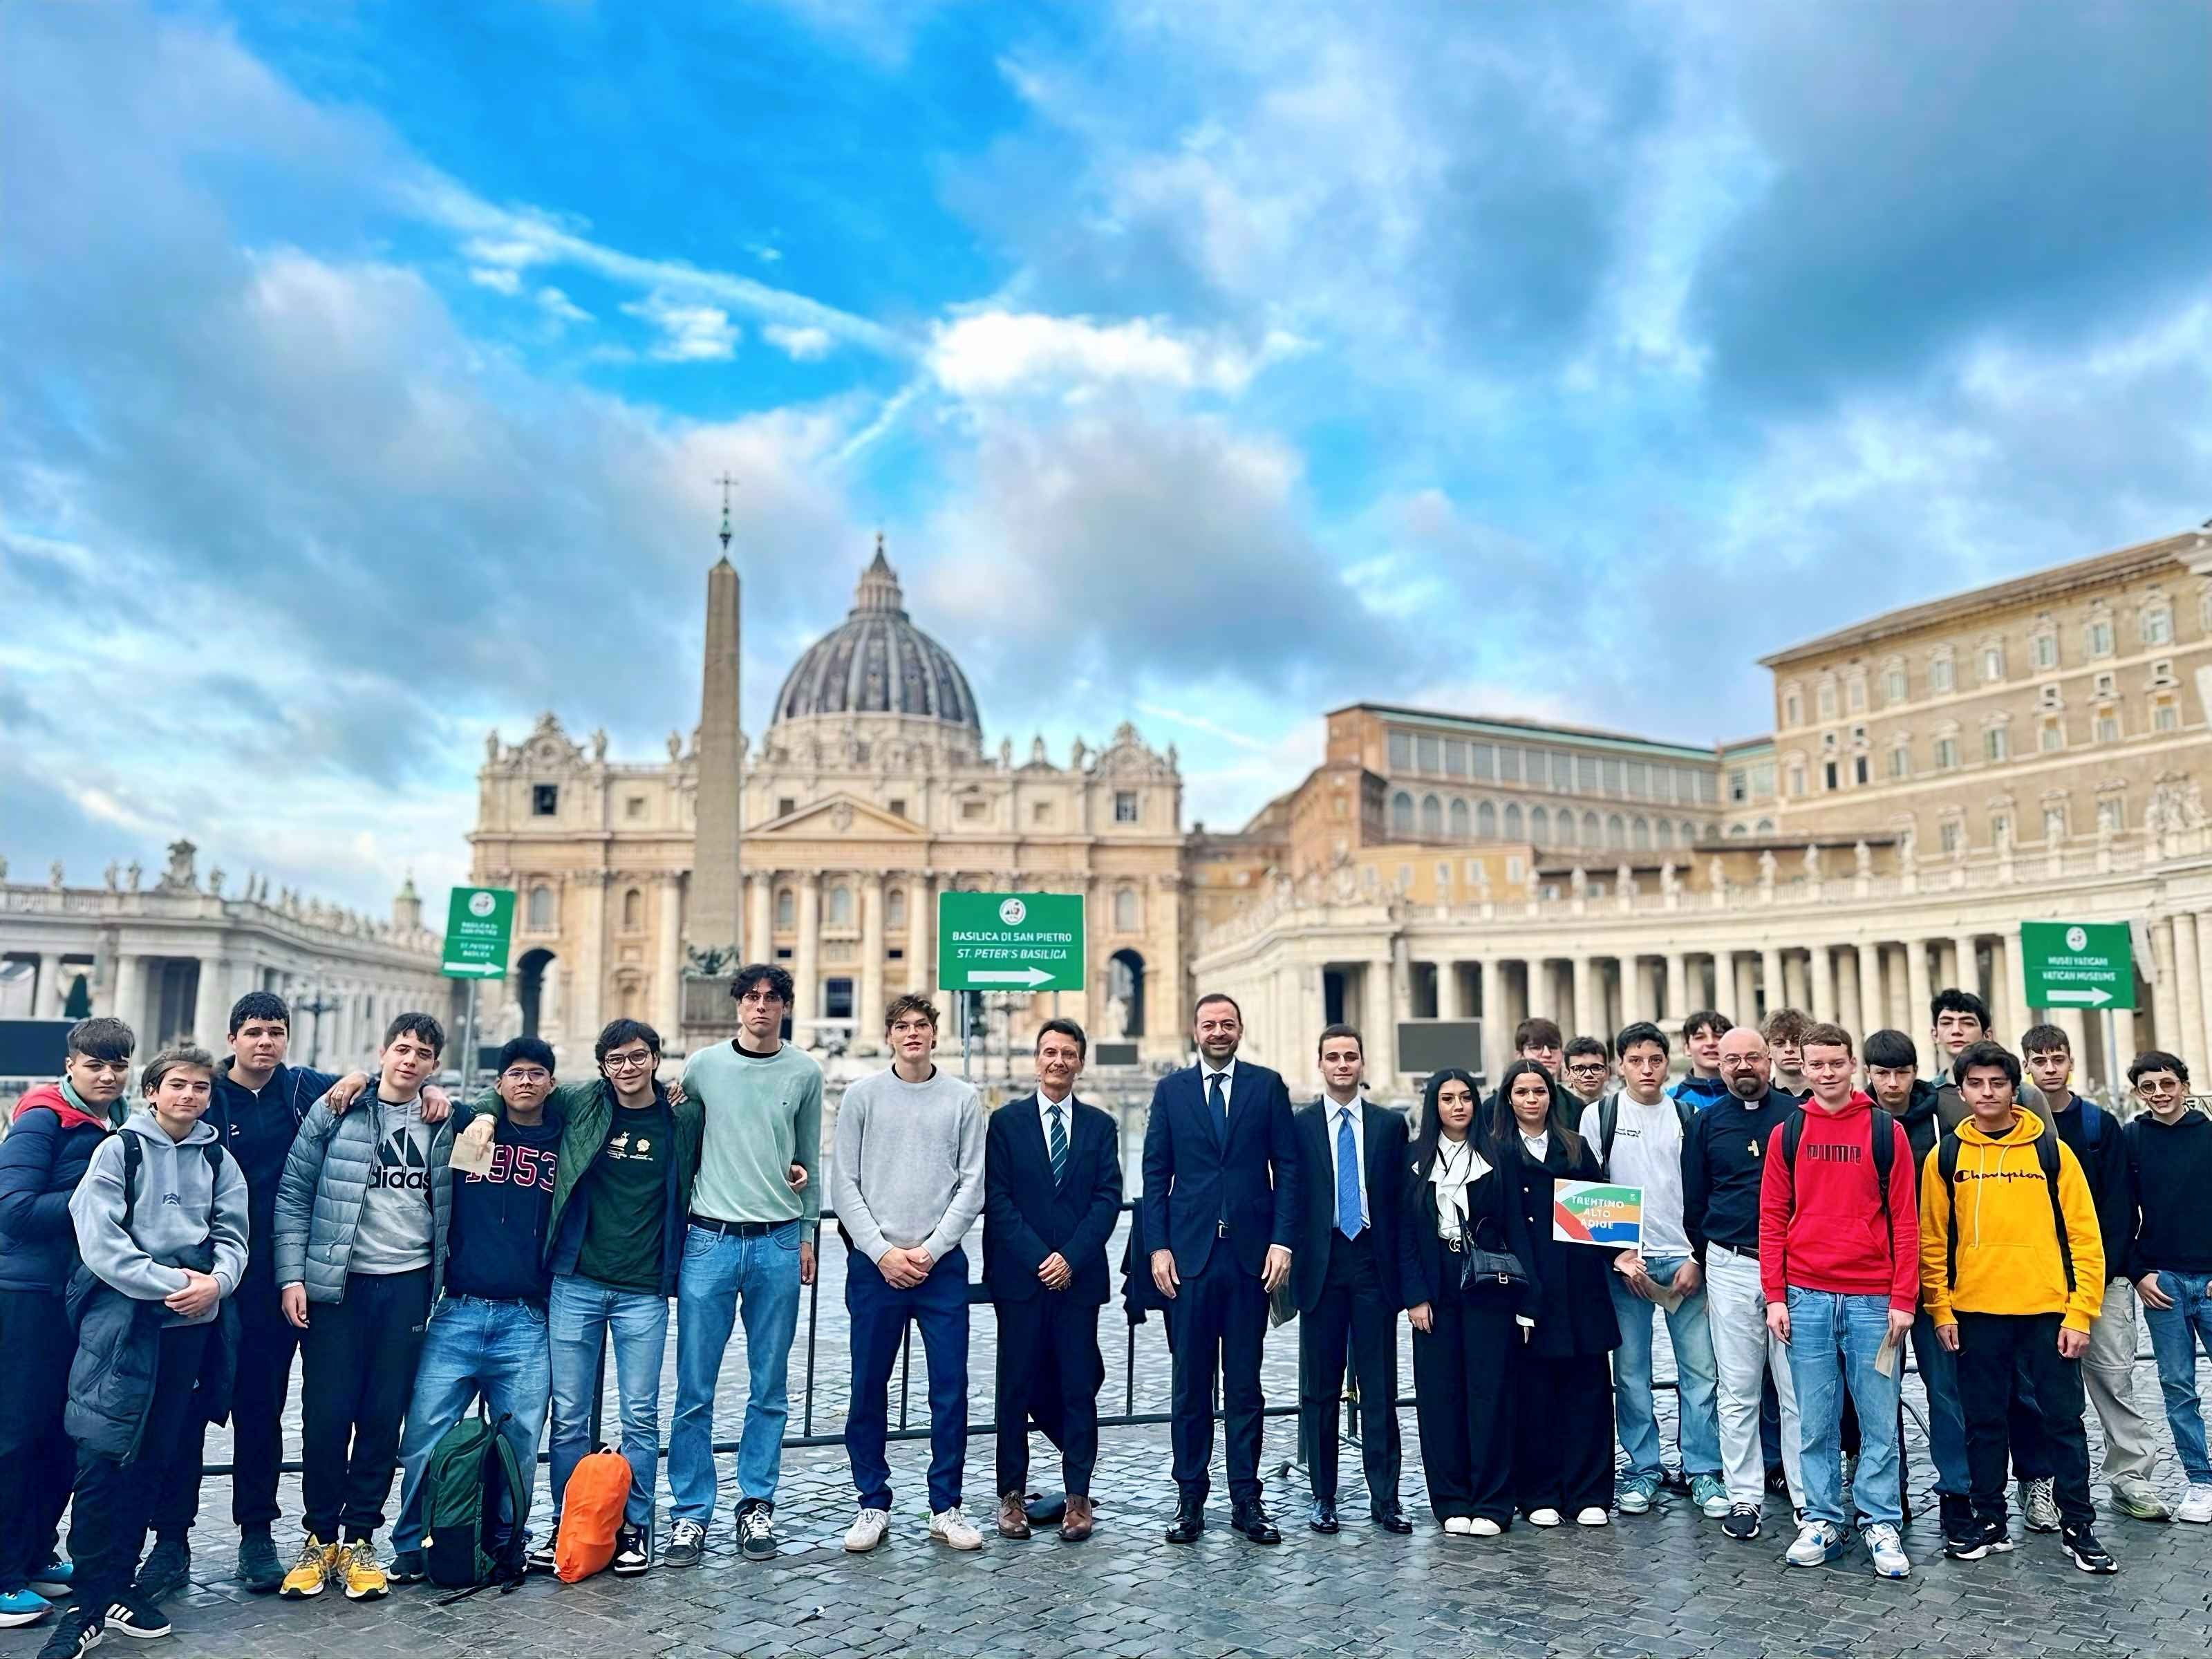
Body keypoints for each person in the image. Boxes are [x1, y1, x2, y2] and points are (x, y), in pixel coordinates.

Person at [149, 993, 398, 1597]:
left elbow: (372, 1087)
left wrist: (365, 1074)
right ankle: (170, 1541)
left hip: (280, 1281)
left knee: (262, 1412)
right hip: (206, 1278)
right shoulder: (210, 1093)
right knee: (183, 1414)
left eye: (277, 1032)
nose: (266, 1042)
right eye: (255, 1032)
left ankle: (256, 1533)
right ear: (232, 1037)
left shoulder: (304, 1089)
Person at [43, 1047, 247, 1659]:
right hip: (125, 1323)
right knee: (105, 1453)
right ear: (153, 1092)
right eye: (177, 1085)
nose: (189, 1096)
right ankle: (87, 1599)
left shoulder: (218, 1158)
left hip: (191, 1329)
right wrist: (174, 1283)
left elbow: (235, 1235)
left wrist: (218, 1282)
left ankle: (117, 1586)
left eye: (200, 1088)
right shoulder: (119, 1151)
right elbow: (99, 1238)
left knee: (156, 1455)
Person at [272, 1013, 456, 1602]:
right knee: (325, 1418)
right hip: (338, 1286)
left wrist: (440, 1098)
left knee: (383, 1419)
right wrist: (290, 1277)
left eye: (423, 1054)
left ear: (434, 1066)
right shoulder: (336, 1106)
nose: (410, 1060)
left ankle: (360, 1540)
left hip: (407, 1285)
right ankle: (318, 1536)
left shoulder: (444, 1121)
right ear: (382, 1051)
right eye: (402, 1048)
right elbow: (294, 1192)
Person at [1920, 1041, 2115, 1573]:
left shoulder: (2053, 1152)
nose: (1987, 1094)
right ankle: (1989, 1520)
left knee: (2063, 1423)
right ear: (1961, 1092)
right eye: (1976, 1085)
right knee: (1982, 1423)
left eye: (1997, 1083)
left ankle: (2079, 1526)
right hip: (1977, 1310)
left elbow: (2085, 1238)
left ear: (2014, 1088)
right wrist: (1940, 1308)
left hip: (2047, 1310)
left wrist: (2081, 1313)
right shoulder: (1946, 1157)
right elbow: (1932, 1240)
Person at [384, 1036, 566, 1584]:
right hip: (459, 1312)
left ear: (551, 1084)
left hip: (527, 1319)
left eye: (537, 1073)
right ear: (498, 1083)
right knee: (423, 1434)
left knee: (521, 1442)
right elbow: (410, 1091)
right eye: (515, 1073)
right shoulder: (468, 1122)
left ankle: (507, 1541)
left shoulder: (566, 1136)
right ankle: (411, 1541)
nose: (526, 1082)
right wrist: (356, 1080)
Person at [526, 1018, 701, 1576]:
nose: (627, 1068)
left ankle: (634, 1528)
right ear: (603, 1066)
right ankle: (569, 1523)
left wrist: (795, 1175)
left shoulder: (684, 1116)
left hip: (643, 1290)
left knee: (640, 1417)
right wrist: (477, 1111)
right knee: (571, 1417)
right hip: (576, 1281)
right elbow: (513, 1086)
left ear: (655, 1057)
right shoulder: (584, 1102)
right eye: (616, 1060)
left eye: (637, 1057)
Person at [666, 965, 823, 1567]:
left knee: (769, 1386)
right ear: (738, 1006)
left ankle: (756, 1501)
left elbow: (810, 1155)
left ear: (784, 1007)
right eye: (752, 998)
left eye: (772, 999)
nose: (761, 1007)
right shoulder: (703, 1067)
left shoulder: (805, 1071)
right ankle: (689, 1512)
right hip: (709, 1240)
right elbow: (679, 1133)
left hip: (778, 1241)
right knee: (694, 1388)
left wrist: (808, 1230)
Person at [1759, 1024, 1918, 1578]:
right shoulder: (1788, 1133)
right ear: (1801, 1068)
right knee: (1815, 1420)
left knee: (1879, 1420)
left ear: (1853, 1065)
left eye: (1835, 1063)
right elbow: (1773, 1218)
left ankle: (1880, 1520)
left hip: (1874, 1297)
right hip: (1805, 1294)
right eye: (1815, 1064)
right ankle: (1822, 1518)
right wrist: (1774, 1296)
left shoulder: (1885, 1131)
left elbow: (1905, 1219)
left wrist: (1904, 1297)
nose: (1826, 1073)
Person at [1141, 992, 1297, 1545]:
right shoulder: (1171, 1090)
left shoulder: (1267, 1086)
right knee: (1189, 1386)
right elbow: (1154, 1176)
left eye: (1227, 1024)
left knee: (1246, 1385)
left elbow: (1290, 1170)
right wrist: (1157, 1248)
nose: (1218, 1032)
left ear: (1240, 1030)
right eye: (1209, 1024)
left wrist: (1283, 1241)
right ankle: (1190, 1498)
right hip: (1189, 1260)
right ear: (1194, 1030)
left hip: (1252, 1259)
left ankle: (1246, 1498)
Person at [834, 995, 988, 1554]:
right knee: (867, 1388)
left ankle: (945, 1504)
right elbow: (843, 1183)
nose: (913, 1034)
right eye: (902, 1026)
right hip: (876, 1267)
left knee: (950, 1390)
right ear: (889, 1036)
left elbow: (973, 1182)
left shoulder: (963, 1098)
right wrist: (882, 1252)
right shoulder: (861, 1096)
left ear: (936, 1034)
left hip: (941, 1267)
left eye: (922, 1025)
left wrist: (931, 1249)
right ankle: (872, 1501)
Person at [0, 1017, 131, 1631]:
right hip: (26, 1293)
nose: (107, 1075)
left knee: (59, 1433)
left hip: (69, 1298)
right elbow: (15, 1210)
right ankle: (2, 1576)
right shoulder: (40, 1117)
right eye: (95, 1064)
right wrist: (97, 1190)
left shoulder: (112, 1120)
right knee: (17, 1435)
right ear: (71, 1064)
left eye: (118, 1065)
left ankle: (32, 1555)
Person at [2020, 1023, 2168, 1522]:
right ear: (2027, 1066)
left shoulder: (2097, 1124)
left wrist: (2099, 1274)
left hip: (2099, 1277)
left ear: (2070, 1063)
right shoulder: (2015, 1127)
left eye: (2057, 1059)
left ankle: (2130, 1477)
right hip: (2037, 1281)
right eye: (2040, 1061)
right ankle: (2047, 1484)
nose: (2049, 1068)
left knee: (2113, 1380)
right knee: (2043, 1389)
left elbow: (2118, 1208)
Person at [983, 1018, 1122, 1543]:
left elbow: (1107, 1199)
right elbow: (997, 1199)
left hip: (1077, 1280)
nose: (1058, 1061)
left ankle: (1078, 1495)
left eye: (1068, 1053)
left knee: (1078, 1388)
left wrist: (1071, 1257)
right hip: (1021, 1278)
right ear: (1035, 1059)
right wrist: (1043, 1257)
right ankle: (1011, 1495)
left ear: (1080, 1062)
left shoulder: (1101, 1126)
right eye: (1049, 1052)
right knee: (1014, 1389)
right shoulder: (1007, 1123)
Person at [1584, 1022, 1725, 1520]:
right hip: (1627, 1263)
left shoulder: (1688, 1116)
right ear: (1620, 1065)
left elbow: (1707, 1192)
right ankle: (1643, 1467)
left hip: (1682, 1258)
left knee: (1701, 1372)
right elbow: (1585, 1192)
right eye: (1637, 1060)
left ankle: (1702, 1469)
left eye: (1656, 1060)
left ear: (1670, 1064)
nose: (1647, 1069)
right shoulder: (1598, 1116)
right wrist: (1617, 1256)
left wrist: (1697, 1256)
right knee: (1631, 1373)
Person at [1398, 1068, 1534, 1537]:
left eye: (1466, 1098)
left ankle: (1494, 1501)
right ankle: (1451, 1498)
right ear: (1433, 1106)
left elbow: (1518, 1229)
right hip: (1435, 1288)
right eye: (1447, 1099)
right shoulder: (1413, 1159)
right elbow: (1405, 1235)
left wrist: (1523, 1301)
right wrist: (1415, 1296)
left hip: (1488, 1287)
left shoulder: (1498, 1156)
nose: (1458, 1107)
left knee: (1491, 1393)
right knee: (1440, 1396)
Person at [1288, 1025, 1409, 1535]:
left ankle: (1386, 1497)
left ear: (1363, 1064)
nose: (1343, 1065)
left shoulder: (1389, 1126)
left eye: (1351, 1057)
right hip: (1321, 1265)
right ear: (1320, 1064)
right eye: (1333, 1057)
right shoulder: (1300, 1126)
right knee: (1319, 1390)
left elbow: (1401, 1206)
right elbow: (1289, 1199)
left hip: (1372, 1265)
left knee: (1380, 1387)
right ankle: (1324, 1495)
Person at [1683, 1024, 1801, 1539]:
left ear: (1770, 1060)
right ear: (1720, 1066)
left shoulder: (1797, 1117)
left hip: (1795, 1266)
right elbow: (1694, 1199)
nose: (1743, 1068)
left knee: (1798, 1389)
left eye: (1753, 1057)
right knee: (1737, 1388)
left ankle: (1807, 1497)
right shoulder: (1706, 1124)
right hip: (1731, 1263)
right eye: (1733, 1060)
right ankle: (1745, 1497)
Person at [1492, 1060, 1617, 1527]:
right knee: (1536, 1395)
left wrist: (1619, 1255)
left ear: (1551, 1095)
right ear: (1509, 1098)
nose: (1531, 1100)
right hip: (1531, 1284)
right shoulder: (1499, 1151)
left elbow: (1600, 1208)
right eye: (1522, 1092)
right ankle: (1540, 1492)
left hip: (1580, 1282)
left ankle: (1589, 1492)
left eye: (1539, 1091)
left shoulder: (1575, 1146)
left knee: (1588, 1392)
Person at [1863, 1028, 1974, 1548]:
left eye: (1901, 1073)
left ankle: (1956, 1492)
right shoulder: (1852, 1121)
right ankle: (1890, 1495)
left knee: (1946, 1390)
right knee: (1876, 1394)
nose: (1892, 1084)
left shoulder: (1945, 1118)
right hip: (1872, 1281)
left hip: (1934, 1279)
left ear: (1915, 1070)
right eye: (1882, 1074)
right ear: (1868, 1074)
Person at [2124, 1052, 2212, 1525]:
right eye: (2148, 1086)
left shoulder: (2210, 1133)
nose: (2159, 1093)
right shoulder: (2132, 1139)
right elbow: (2119, 1211)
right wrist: (2139, 1274)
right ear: (2138, 1092)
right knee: (2178, 1388)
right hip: (2164, 1282)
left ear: (2184, 1084)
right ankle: (2200, 1481)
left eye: (2167, 1083)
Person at [1669, 1011, 1732, 1109]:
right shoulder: (1670, 1099)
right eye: (1700, 1037)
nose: (1711, 1043)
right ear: (1687, 1049)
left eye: (1719, 1036)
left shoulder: (1749, 1095)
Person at [1761, 1009, 1810, 1103]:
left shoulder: (1830, 1096)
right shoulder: (1760, 1098)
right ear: (1767, 1050)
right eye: (1779, 1043)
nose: (1789, 1050)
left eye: (1797, 1042)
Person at [1561, 1036, 1611, 1113]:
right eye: (1579, 1069)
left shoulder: (1617, 1107)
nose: (1588, 1074)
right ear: (1567, 1074)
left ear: (1607, 1073)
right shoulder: (1558, 1110)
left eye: (1596, 1068)